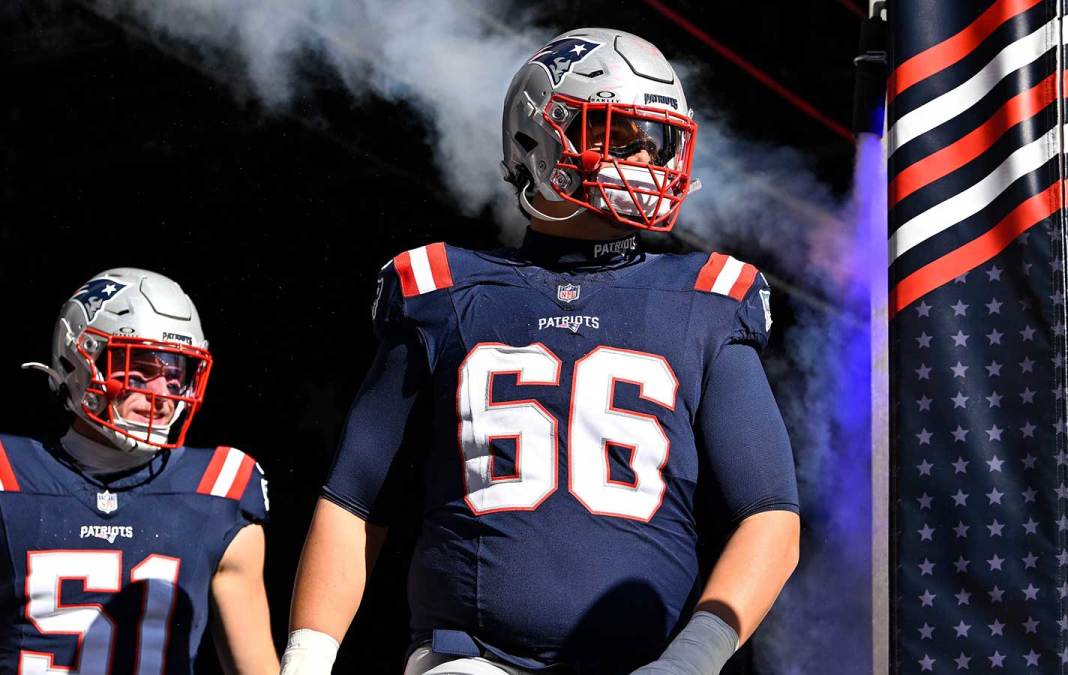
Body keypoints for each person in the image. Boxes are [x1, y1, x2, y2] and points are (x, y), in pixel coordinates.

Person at [282, 28, 800, 675]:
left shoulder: (705, 297)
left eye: (653, 140)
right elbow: (355, 500)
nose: (642, 158)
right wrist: (306, 660)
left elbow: (771, 515)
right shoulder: (444, 290)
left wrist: (689, 661)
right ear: (537, 139)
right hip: (470, 661)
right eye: (617, 134)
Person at [5, 268, 278, 674]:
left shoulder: (221, 487)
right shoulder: (8, 475)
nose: (161, 395)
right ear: (78, 359)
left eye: (175, 374)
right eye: (139, 370)